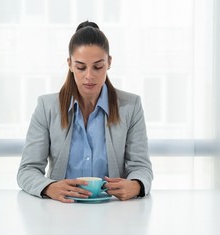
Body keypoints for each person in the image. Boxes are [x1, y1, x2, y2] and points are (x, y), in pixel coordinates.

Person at [17, 21, 153, 203]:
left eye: (98, 66)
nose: (89, 75)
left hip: (114, 211)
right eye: (81, 67)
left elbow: (141, 167)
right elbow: (27, 170)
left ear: (109, 63)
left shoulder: (131, 106)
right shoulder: (46, 107)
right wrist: (49, 187)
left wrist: (136, 185)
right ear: (70, 64)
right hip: (61, 210)